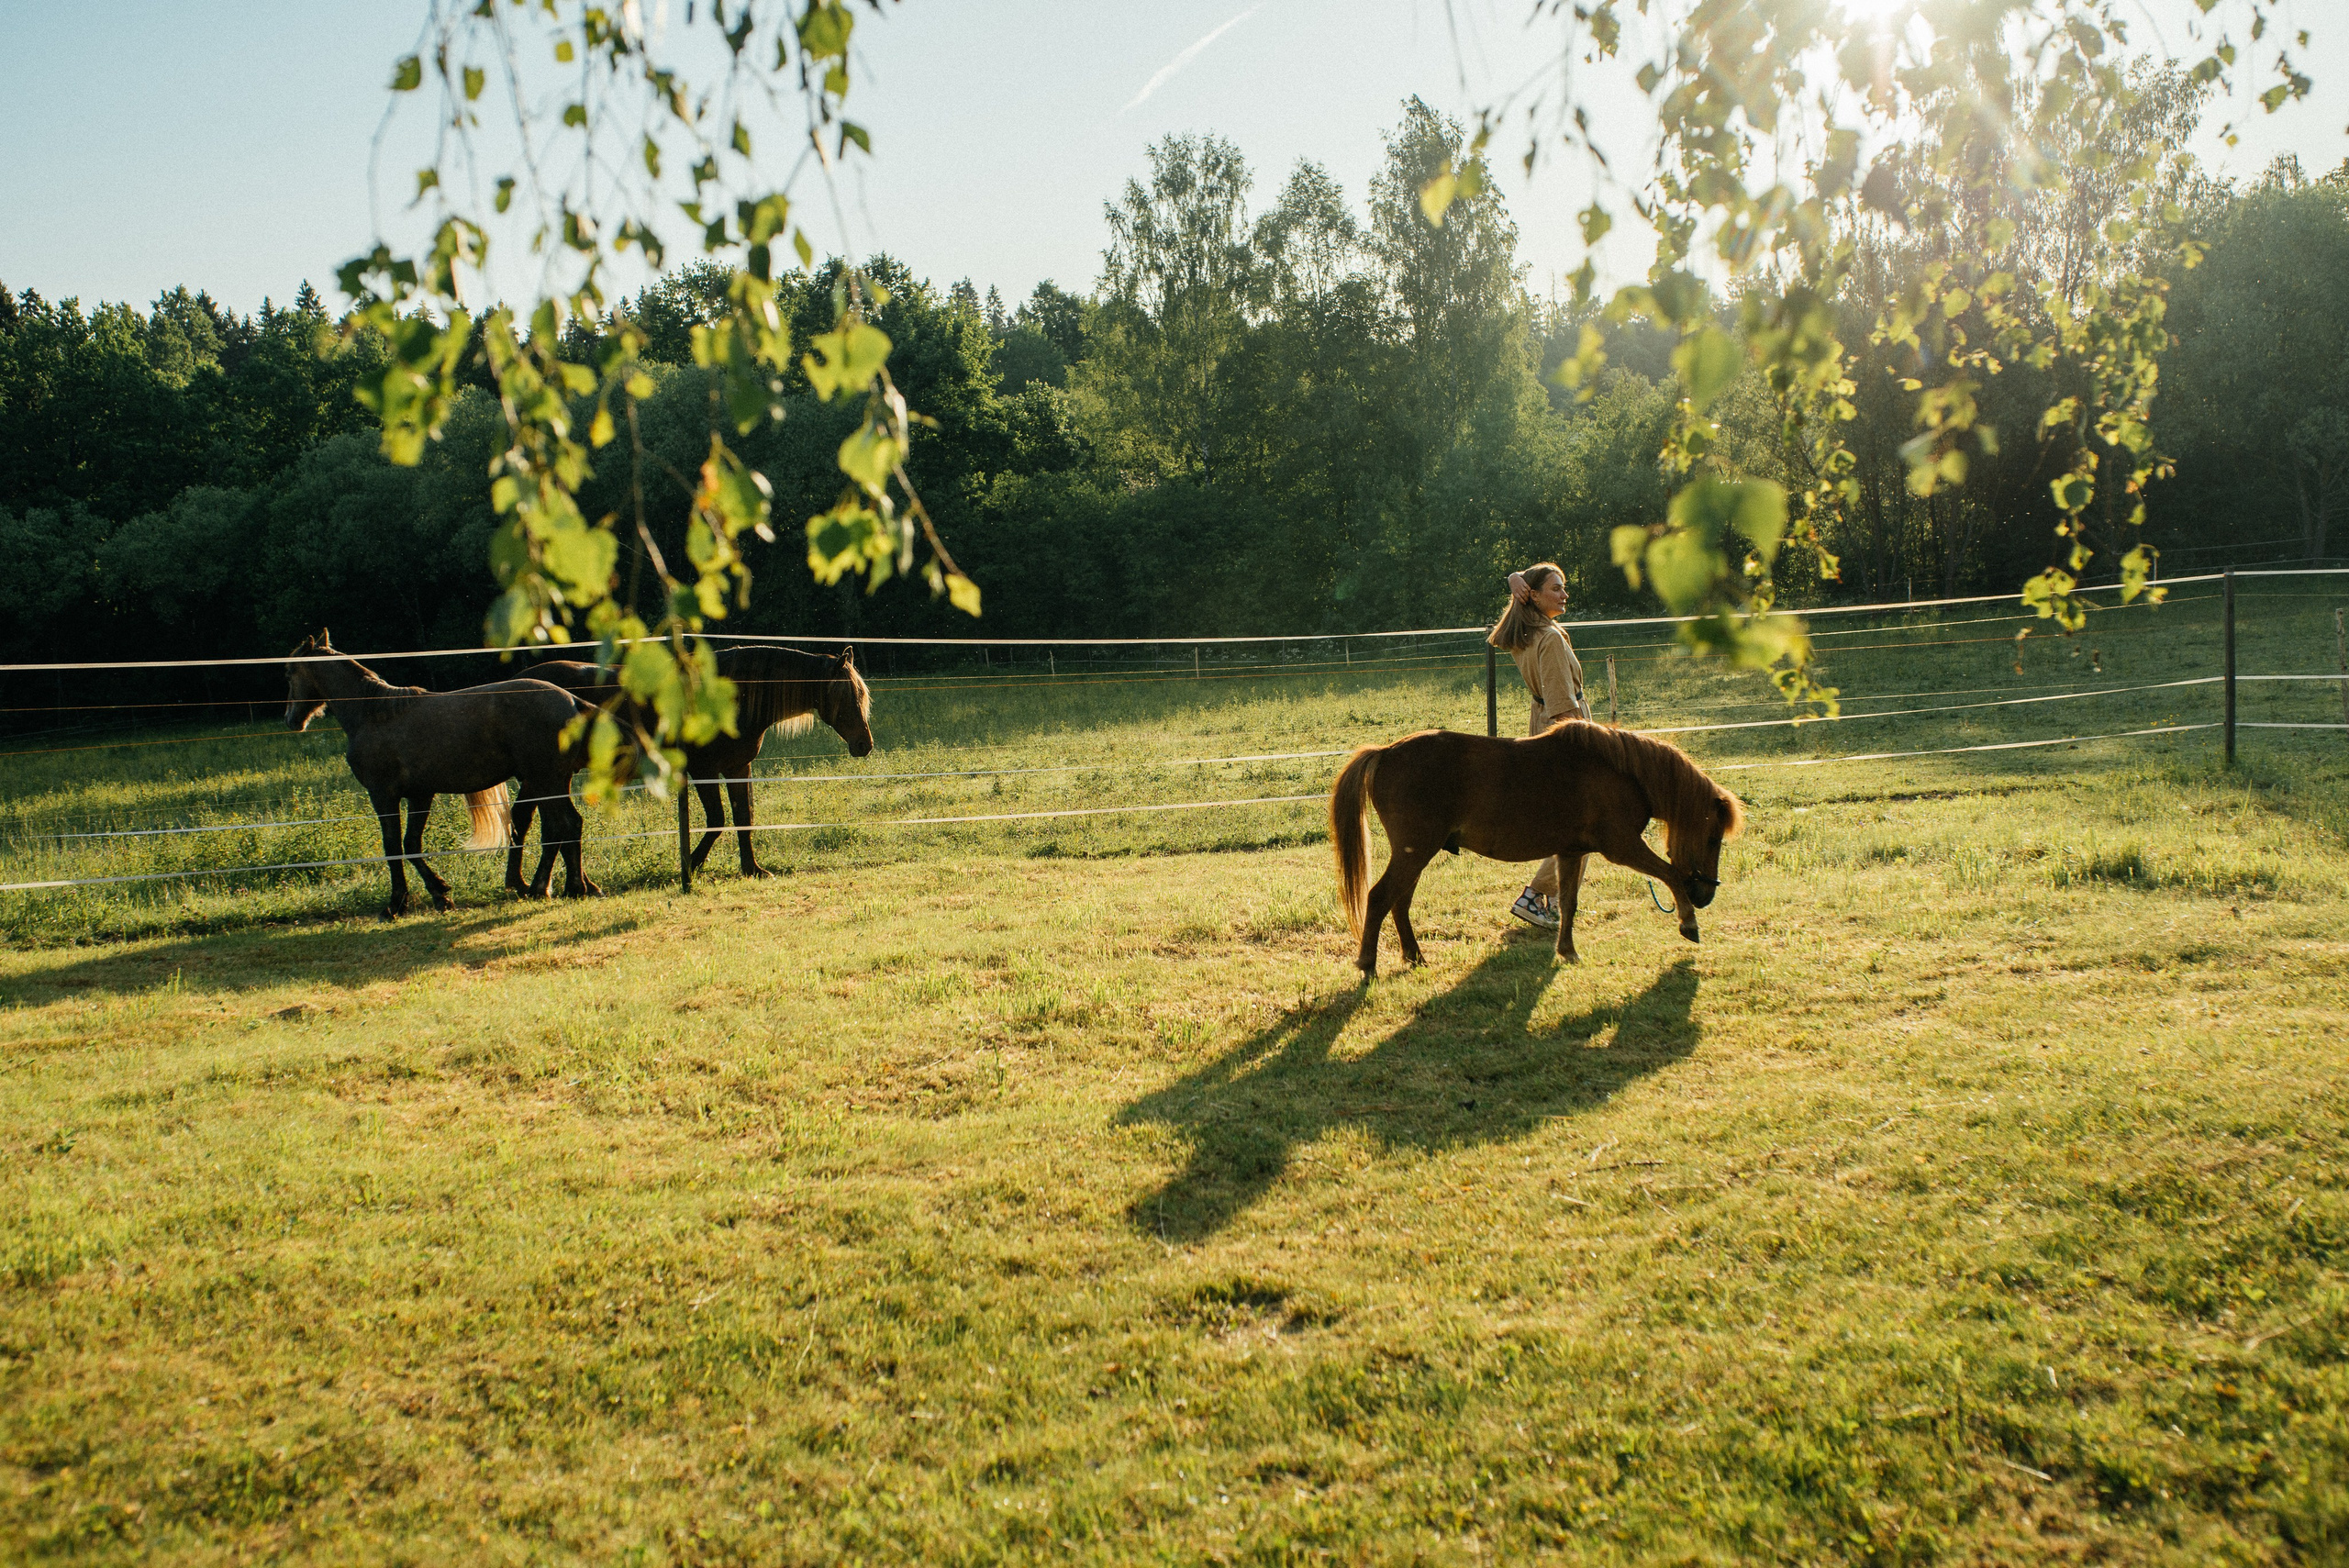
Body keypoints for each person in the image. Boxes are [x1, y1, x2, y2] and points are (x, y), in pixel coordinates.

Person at [1487, 562, 1590, 929]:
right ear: (1533, 595)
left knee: (1569, 819)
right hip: (1565, 728)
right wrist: (1587, 745)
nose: (1564, 595)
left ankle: (1556, 899)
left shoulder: (1529, 632)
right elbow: (1562, 702)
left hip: (1541, 721)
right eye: (1556, 588)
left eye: (1563, 587)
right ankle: (1535, 896)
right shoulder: (1549, 639)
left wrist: (1514, 578)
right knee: (1582, 825)